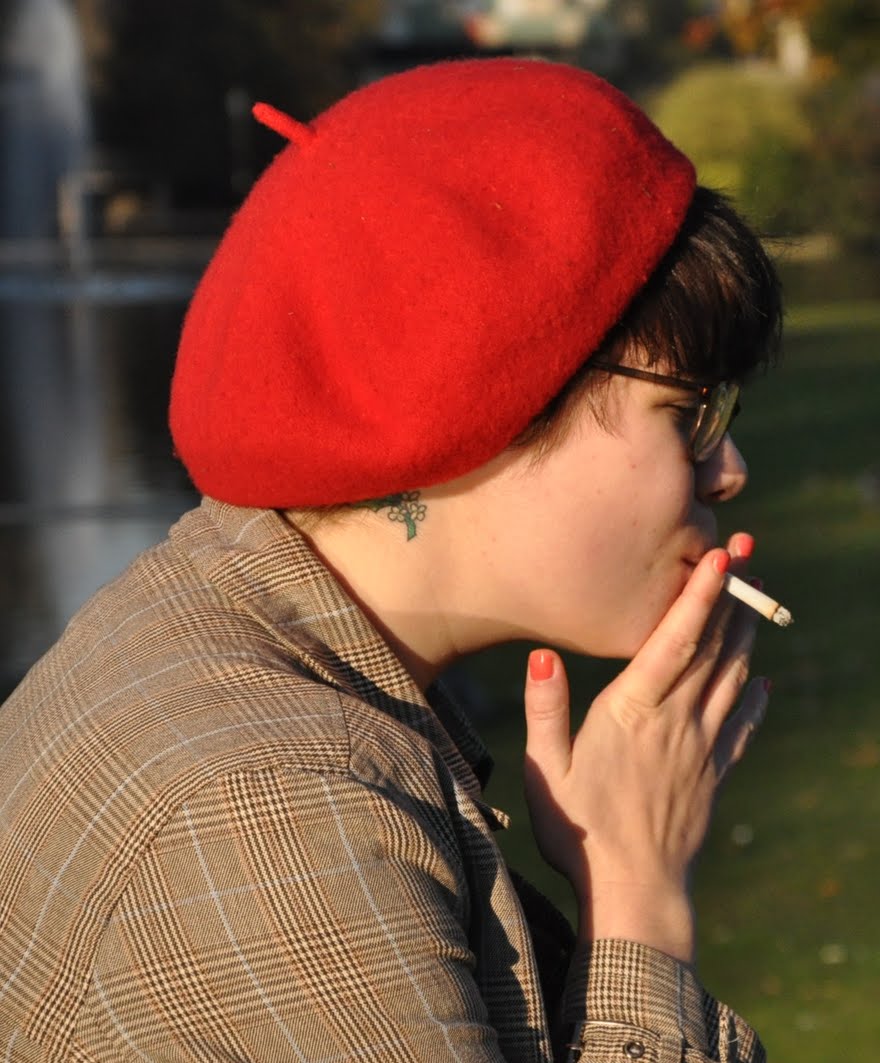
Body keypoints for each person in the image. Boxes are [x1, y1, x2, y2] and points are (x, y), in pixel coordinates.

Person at [0, 58, 780, 1061]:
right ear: (486, 393)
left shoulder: (214, 636)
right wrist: (638, 894)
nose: (728, 470)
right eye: (688, 412)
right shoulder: (277, 811)